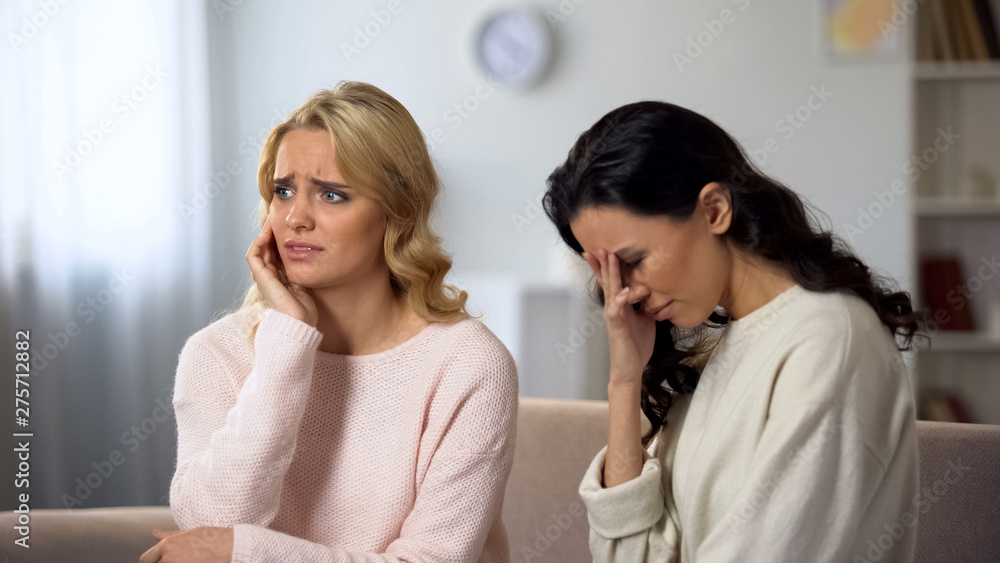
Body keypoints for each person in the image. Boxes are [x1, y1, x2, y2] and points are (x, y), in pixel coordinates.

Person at [143, 82, 518, 563]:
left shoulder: (468, 364)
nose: (295, 218)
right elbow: (213, 523)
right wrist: (286, 342)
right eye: (283, 191)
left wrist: (249, 552)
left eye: (332, 195)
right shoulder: (218, 352)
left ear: (398, 212)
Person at [542, 100, 925, 562]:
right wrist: (624, 382)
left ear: (715, 209)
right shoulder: (714, 352)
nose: (626, 293)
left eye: (634, 262)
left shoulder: (829, 340)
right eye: (609, 275)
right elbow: (630, 556)